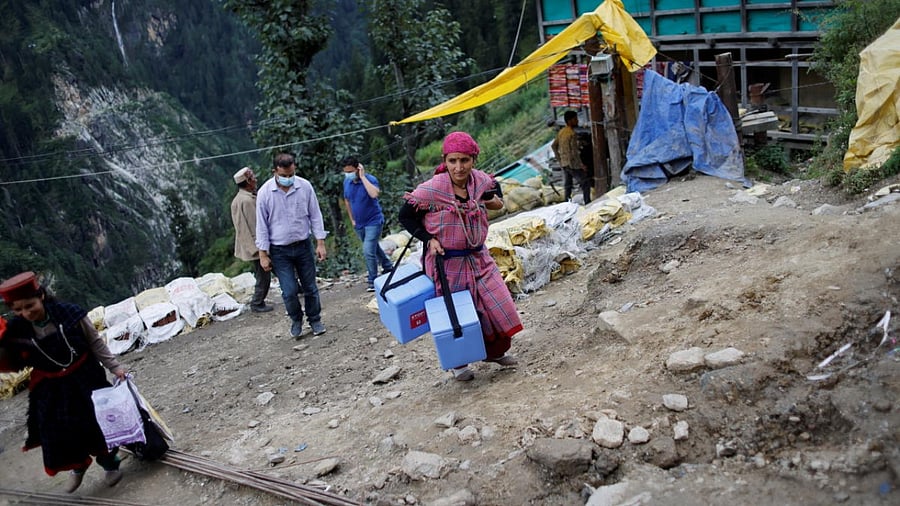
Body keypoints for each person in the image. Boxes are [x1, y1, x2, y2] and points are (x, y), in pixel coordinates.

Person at [399, 131, 523, 382]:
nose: (459, 167)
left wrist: (492, 200)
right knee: (457, 313)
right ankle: (459, 364)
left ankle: (495, 353)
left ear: (473, 160)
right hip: (447, 263)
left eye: (464, 160)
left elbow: (492, 195)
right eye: (453, 161)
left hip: (478, 257)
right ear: (445, 160)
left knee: (494, 303)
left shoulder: (479, 182)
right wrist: (429, 239)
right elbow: (405, 216)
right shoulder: (431, 190)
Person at [0, 271, 127, 493]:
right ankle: (77, 468)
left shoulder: (70, 315)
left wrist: (115, 368)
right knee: (60, 432)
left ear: (41, 296)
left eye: (30, 305)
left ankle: (110, 464)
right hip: (51, 388)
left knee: (96, 425)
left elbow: (95, 343)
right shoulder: (16, 331)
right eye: (18, 310)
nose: (26, 313)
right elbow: (11, 362)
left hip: (85, 378)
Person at [256, 152, 328, 339]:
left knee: (310, 287)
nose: (288, 179)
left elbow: (315, 215)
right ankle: (296, 319)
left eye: (291, 174)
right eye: (284, 176)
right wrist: (263, 254)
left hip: (303, 245)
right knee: (288, 291)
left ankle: (315, 319)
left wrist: (320, 242)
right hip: (279, 250)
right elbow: (261, 226)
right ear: (275, 172)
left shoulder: (304, 187)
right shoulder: (265, 193)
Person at [340, 156, 394, 292]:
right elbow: (347, 200)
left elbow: (374, 194)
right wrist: (352, 219)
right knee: (373, 247)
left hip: (373, 221)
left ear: (358, 169)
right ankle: (388, 266)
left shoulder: (370, 179)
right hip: (359, 223)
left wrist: (363, 177)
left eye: (351, 171)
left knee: (368, 250)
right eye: (346, 172)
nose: (348, 174)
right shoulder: (347, 182)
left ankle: (373, 280)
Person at [230, 167, 273, 313]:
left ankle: (295, 288)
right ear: (248, 182)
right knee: (264, 275)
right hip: (257, 246)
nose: (255, 179)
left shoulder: (248, 197)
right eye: (252, 177)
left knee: (275, 268)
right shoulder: (244, 201)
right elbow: (244, 228)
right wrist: (258, 250)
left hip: (260, 244)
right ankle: (257, 302)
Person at [551, 110, 592, 204]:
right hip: (572, 164)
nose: (577, 121)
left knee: (568, 185)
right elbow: (574, 153)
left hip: (564, 163)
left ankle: (566, 203)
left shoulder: (561, 132)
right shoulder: (572, 134)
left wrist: (559, 160)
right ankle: (588, 203)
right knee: (585, 182)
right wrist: (581, 165)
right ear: (569, 121)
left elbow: (554, 146)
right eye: (575, 119)